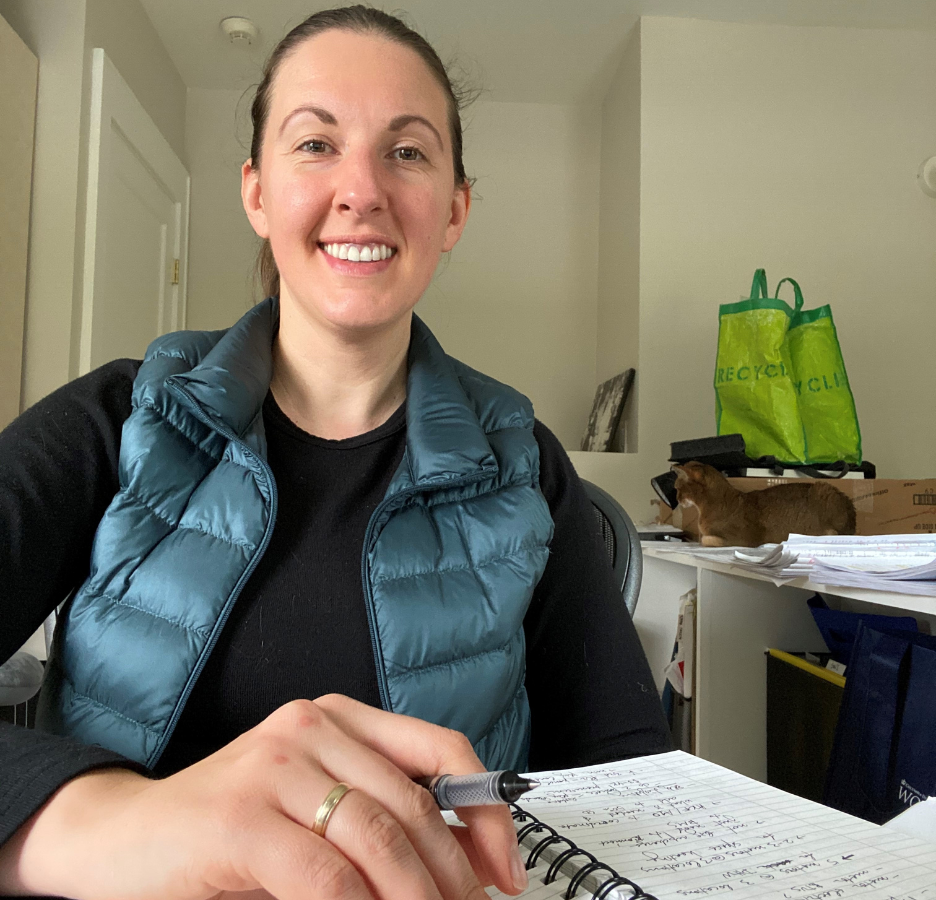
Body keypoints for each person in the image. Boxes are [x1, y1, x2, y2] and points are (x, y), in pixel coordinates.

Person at [0, 6, 670, 899]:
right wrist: (121, 821)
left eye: (407, 151)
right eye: (315, 144)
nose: (362, 190)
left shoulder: (527, 467)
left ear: (456, 208)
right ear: (256, 193)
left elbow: (626, 773)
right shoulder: (115, 420)